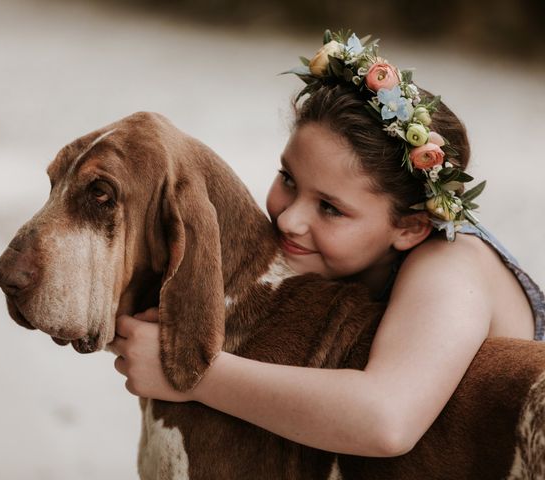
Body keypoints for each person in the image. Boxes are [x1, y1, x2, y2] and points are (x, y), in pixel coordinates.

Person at [112, 30, 545, 457]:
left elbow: (386, 420)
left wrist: (191, 370)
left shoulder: (452, 267)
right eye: (288, 179)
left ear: (411, 228)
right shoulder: (331, 250)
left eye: (331, 209)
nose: (289, 218)